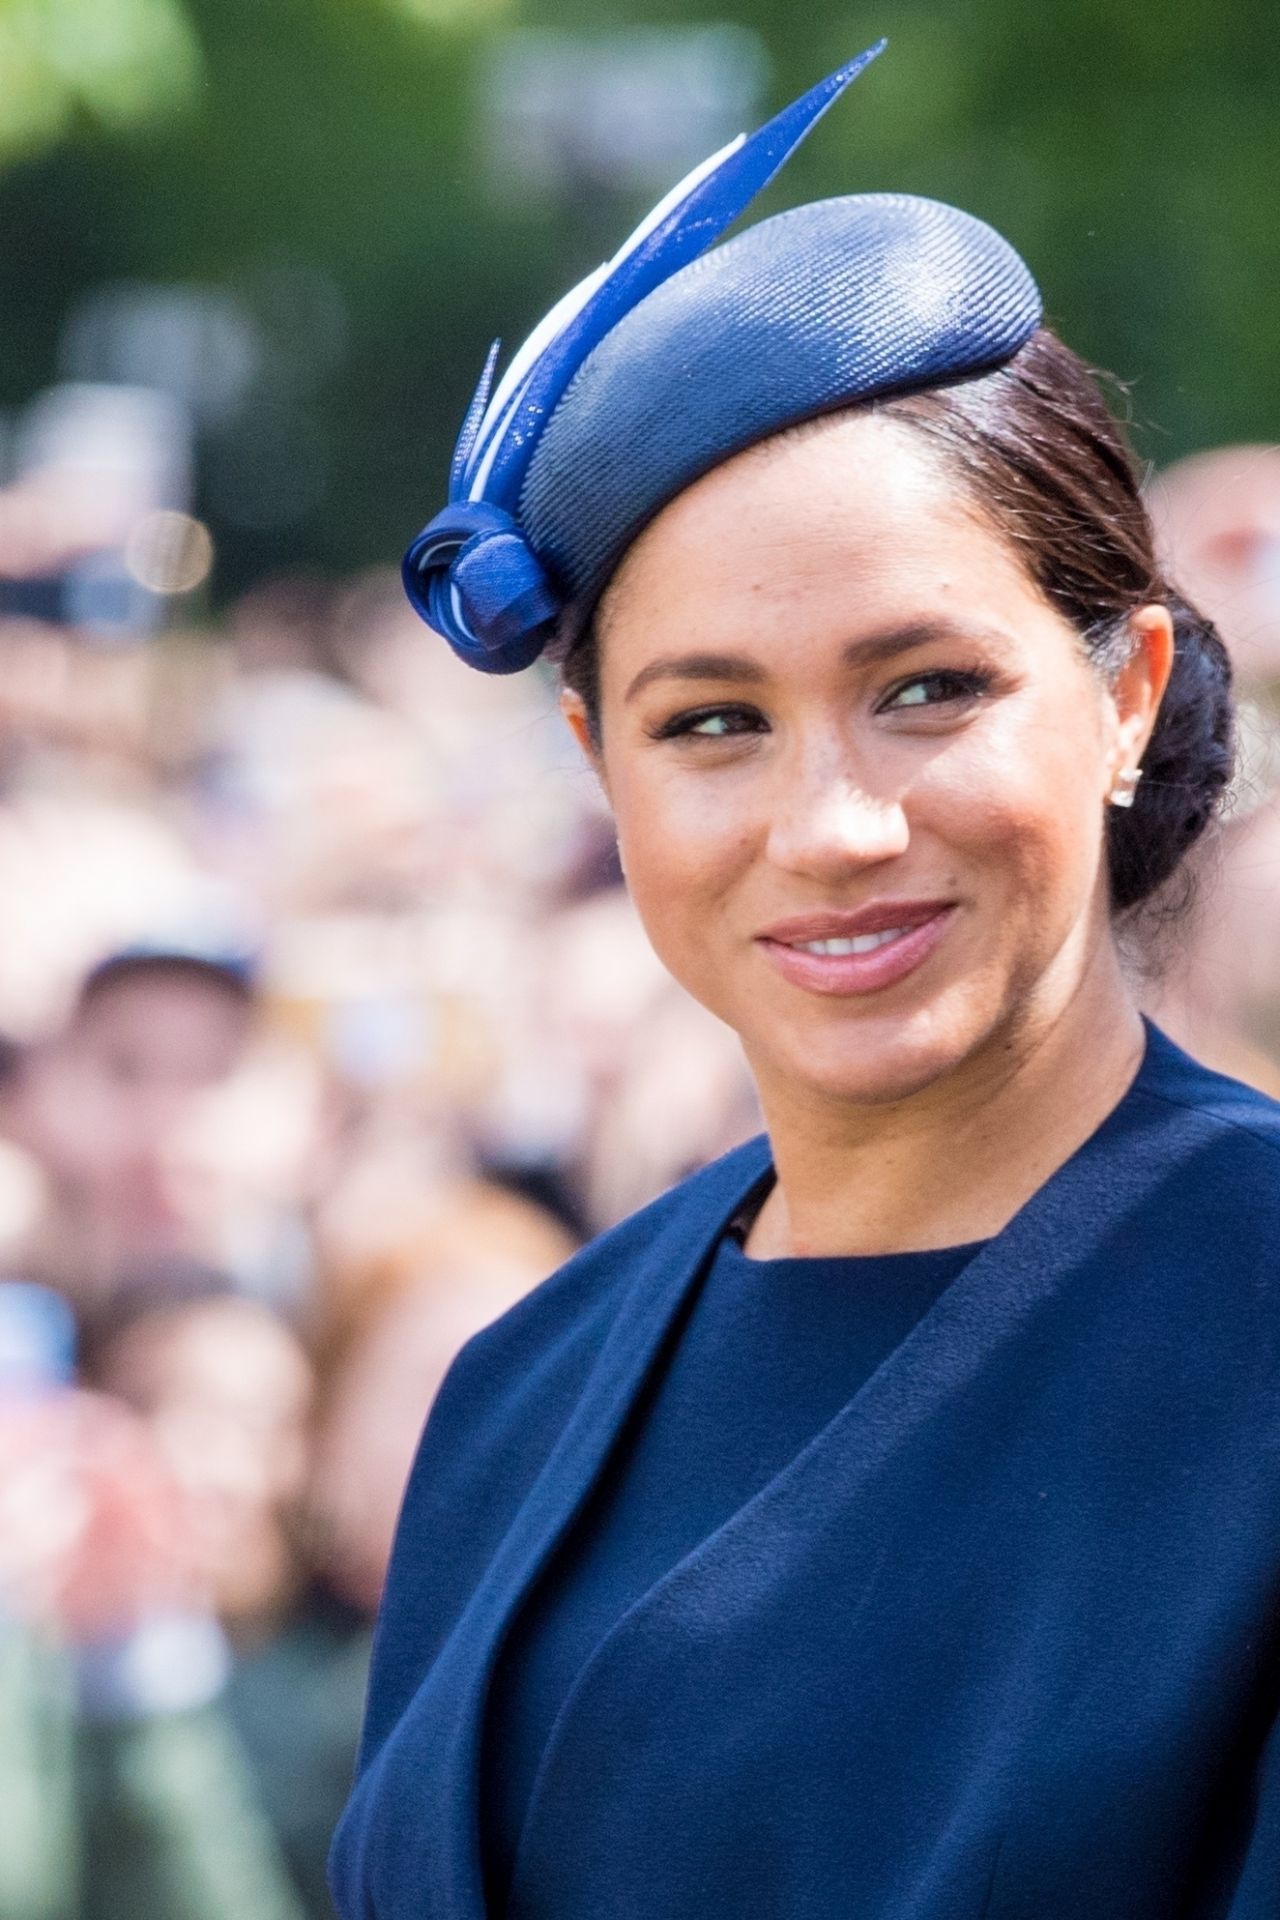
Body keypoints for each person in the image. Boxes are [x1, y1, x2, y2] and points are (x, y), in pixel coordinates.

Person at [330, 46, 1279, 1920]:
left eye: (927, 687)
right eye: (713, 723)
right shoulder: (522, 1384)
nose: (833, 824)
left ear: (1127, 692)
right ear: (602, 764)